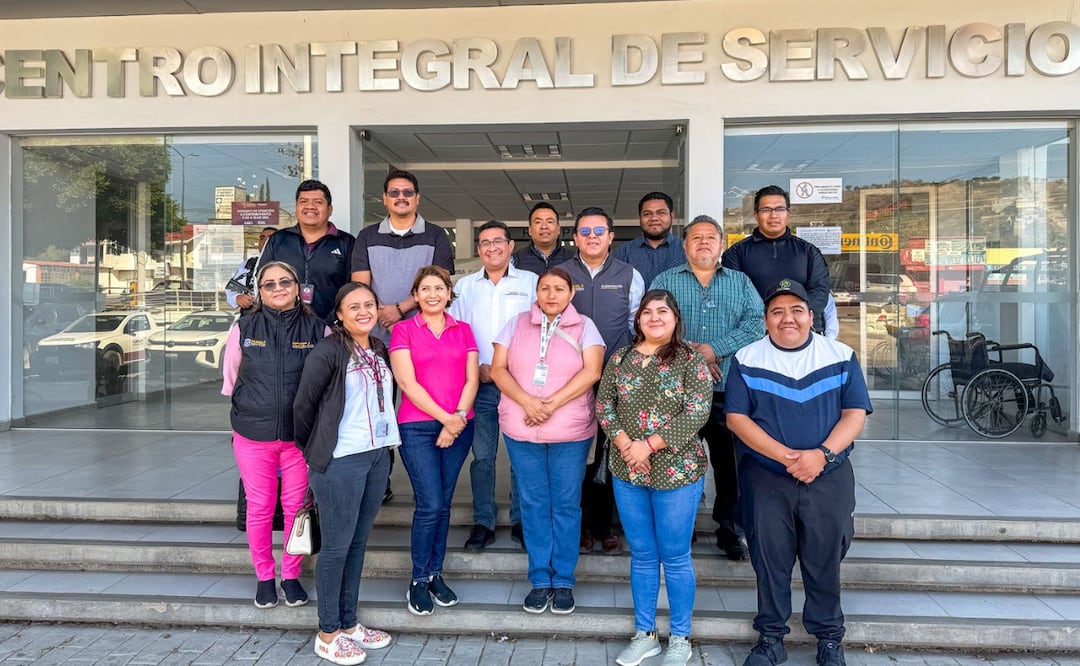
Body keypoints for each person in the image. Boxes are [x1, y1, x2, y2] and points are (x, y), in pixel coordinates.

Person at [725, 279, 872, 666]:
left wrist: (821, 455)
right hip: (767, 478)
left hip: (828, 476)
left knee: (824, 557)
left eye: (796, 310)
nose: (786, 318)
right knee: (769, 559)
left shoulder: (840, 355)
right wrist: (788, 457)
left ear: (811, 316)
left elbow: (855, 413)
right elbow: (737, 418)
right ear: (765, 319)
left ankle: (828, 638)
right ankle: (771, 638)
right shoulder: (747, 358)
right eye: (777, 311)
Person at [598, 290, 712, 666]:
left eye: (662, 311)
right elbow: (604, 404)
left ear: (675, 318)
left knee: (676, 556)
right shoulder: (621, 359)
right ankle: (644, 634)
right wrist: (626, 444)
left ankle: (680, 637)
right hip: (628, 469)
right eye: (647, 312)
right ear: (638, 319)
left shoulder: (691, 361)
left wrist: (649, 446)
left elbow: (697, 412)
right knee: (643, 555)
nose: (654, 318)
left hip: (676, 471)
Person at [490, 267, 605, 615]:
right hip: (523, 428)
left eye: (559, 289)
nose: (551, 294)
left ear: (571, 294)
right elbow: (497, 369)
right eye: (544, 288)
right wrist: (528, 403)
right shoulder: (516, 323)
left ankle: (564, 580)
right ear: (535, 292)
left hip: (569, 431)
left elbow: (592, 371)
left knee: (567, 504)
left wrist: (550, 405)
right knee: (534, 503)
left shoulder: (585, 326)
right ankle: (540, 579)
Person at [293, 282, 396, 665]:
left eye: (369, 304)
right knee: (336, 547)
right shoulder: (328, 351)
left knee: (356, 544)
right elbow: (303, 406)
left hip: (375, 456)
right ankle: (328, 633)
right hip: (341, 460)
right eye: (354, 307)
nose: (364, 312)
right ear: (339, 314)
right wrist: (318, 450)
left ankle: (350, 624)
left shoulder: (378, 348)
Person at [651, 214, 764, 561]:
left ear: (721, 245)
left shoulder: (741, 282)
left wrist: (714, 349)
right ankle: (675, 530)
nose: (703, 242)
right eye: (695, 237)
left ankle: (728, 528)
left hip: (727, 389)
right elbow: (651, 325)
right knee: (674, 459)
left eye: (710, 237)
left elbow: (757, 324)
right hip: (676, 392)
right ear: (684, 246)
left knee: (729, 463)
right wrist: (695, 354)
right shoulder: (665, 281)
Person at [221, 260, 325, 610]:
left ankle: (291, 576)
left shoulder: (318, 330)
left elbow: (326, 385)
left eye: (285, 282)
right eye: (269, 284)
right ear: (259, 292)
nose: (278, 288)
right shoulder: (244, 327)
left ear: (297, 288)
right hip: (253, 435)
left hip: (299, 440)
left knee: (297, 509)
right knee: (261, 507)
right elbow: (232, 379)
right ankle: (265, 577)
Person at [389, 265, 478, 616]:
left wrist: (456, 419)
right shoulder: (403, 330)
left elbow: (472, 379)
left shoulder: (464, 330)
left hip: (459, 425)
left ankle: (435, 573)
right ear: (416, 295)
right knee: (429, 504)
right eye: (425, 289)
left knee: (443, 504)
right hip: (418, 428)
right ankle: (417, 579)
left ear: (448, 293)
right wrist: (447, 420)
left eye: (439, 288)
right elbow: (408, 384)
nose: (432, 294)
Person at [558, 206, 644, 556]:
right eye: (585, 231)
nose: (592, 237)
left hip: (614, 379)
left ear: (611, 236)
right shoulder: (561, 274)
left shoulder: (629, 274)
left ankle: (605, 525)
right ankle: (577, 525)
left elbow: (637, 327)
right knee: (576, 454)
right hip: (569, 381)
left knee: (612, 453)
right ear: (575, 237)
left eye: (599, 231)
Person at [449, 220, 537, 552]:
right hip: (481, 383)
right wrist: (477, 368)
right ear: (478, 249)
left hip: (518, 385)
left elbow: (538, 329)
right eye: (484, 242)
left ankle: (521, 520)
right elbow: (457, 333)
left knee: (520, 456)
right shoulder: (466, 286)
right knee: (482, 457)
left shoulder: (532, 283)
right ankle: (483, 521)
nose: (491, 247)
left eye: (498, 241)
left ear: (511, 246)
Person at [351, 169, 456, 343]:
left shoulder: (436, 235)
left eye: (408, 192)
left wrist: (399, 310)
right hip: (376, 338)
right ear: (385, 198)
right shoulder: (367, 236)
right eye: (394, 192)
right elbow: (360, 285)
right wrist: (387, 318)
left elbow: (440, 285)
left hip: (425, 337)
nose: (401, 197)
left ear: (417, 198)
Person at [721, 185, 831, 334]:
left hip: (800, 332)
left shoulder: (808, 251)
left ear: (788, 214)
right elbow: (732, 296)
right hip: (754, 334)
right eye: (766, 210)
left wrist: (793, 318)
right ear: (756, 215)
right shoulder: (736, 253)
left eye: (779, 209)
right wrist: (767, 320)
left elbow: (819, 291)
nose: (773, 216)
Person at [256, 180, 355, 322]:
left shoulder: (346, 242)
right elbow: (262, 281)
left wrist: (329, 323)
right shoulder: (278, 240)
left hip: (332, 330)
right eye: (304, 201)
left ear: (330, 209)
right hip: (284, 327)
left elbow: (352, 289)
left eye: (318, 202)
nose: (310, 206)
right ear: (296, 207)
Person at [613, 191, 686, 287]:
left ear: (671, 216)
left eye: (661, 213)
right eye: (647, 214)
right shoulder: (623, 253)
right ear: (640, 217)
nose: (654, 218)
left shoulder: (686, 250)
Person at [226, 226, 276, 315]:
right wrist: (237, 297)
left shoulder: (290, 266)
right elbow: (231, 289)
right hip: (253, 318)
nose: (265, 241)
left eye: (270, 238)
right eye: (262, 237)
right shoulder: (249, 264)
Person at [512, 202, 573, 274]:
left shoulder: (573, 259)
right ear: (530, 230)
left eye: (549, 222)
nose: (544, 226)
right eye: (538, 222)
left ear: (558, 229)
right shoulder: (516, 260)